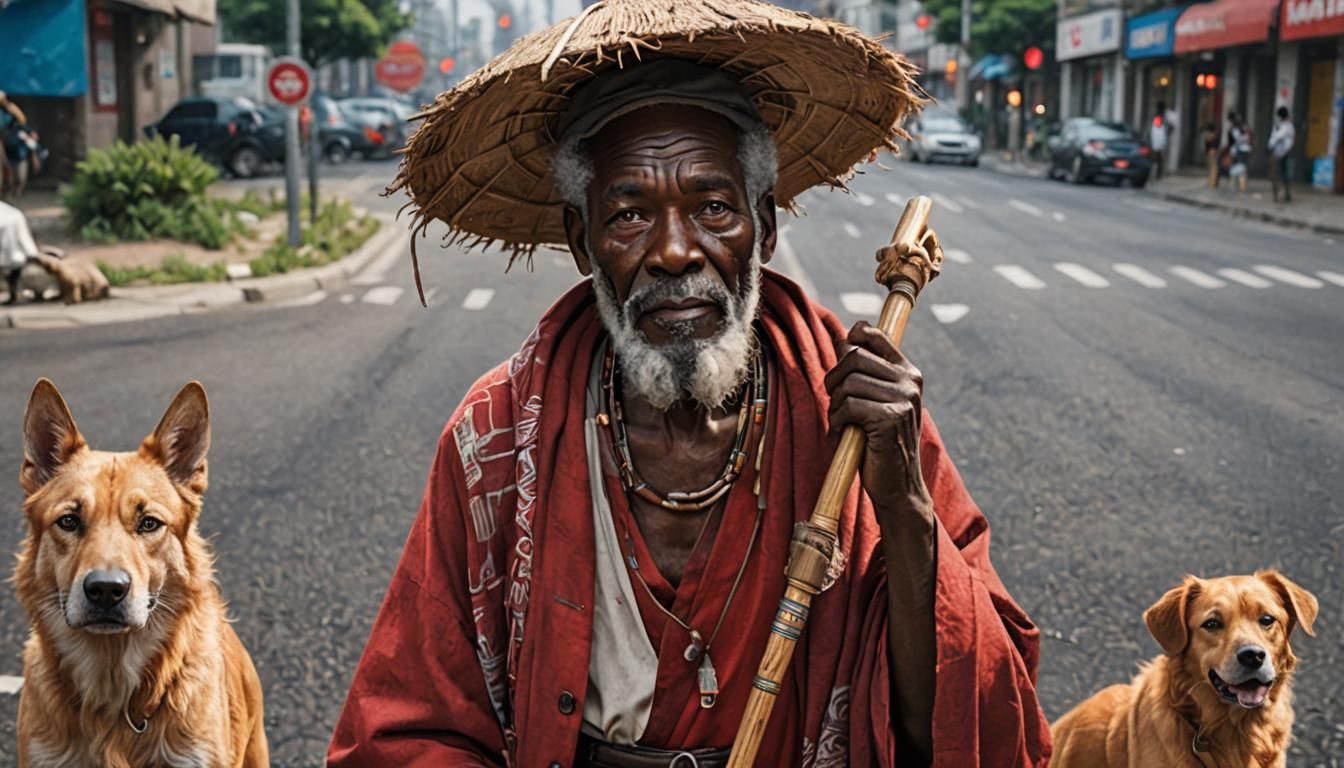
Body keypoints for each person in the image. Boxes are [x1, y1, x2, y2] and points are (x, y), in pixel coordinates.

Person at [327, 3, 1050, 767]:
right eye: (630, 214)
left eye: (712, 207)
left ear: (763, 229)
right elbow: (408, 725)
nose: (675, 252)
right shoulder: (496, 432)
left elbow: (974, 708)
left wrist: (902, 503)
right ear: (583, 242)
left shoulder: (855, 413)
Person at [1269, 106, 1296, 203]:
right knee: (1276, 175)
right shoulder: (1280, 126)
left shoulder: (1287, 126)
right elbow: (1273, 139)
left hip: (1284, 153)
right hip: (1277, 153)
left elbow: (1279, 137)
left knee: (1284, 175)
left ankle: (1286, 195)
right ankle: (1277, 195)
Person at [1148, 101, 1176, 181]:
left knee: (1158, 159)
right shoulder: (1160, 117)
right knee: (1158, 159)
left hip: (1157, 142)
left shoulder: (1161, 117)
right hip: (1159, 142)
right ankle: (1157, 174)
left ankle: (1157, 174)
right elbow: (1159, 130)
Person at [1228, 111, 1252, 194]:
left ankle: (1241, 187)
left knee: (1240, 168)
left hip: (1240, 150)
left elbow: (1237, 140)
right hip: (1245, 150)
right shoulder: (1245, 127)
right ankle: (1240, 186)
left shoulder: (1236, 129)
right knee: (1241, 168)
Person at [1203, 122, 1221, 189]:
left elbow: (1206, 145)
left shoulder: (1207, 135)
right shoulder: (1214, 135)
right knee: (1213, 169)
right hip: (1213, 153)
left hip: (1208, 153)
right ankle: (1212, 184)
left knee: (1210, 169)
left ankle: (1210, 183)